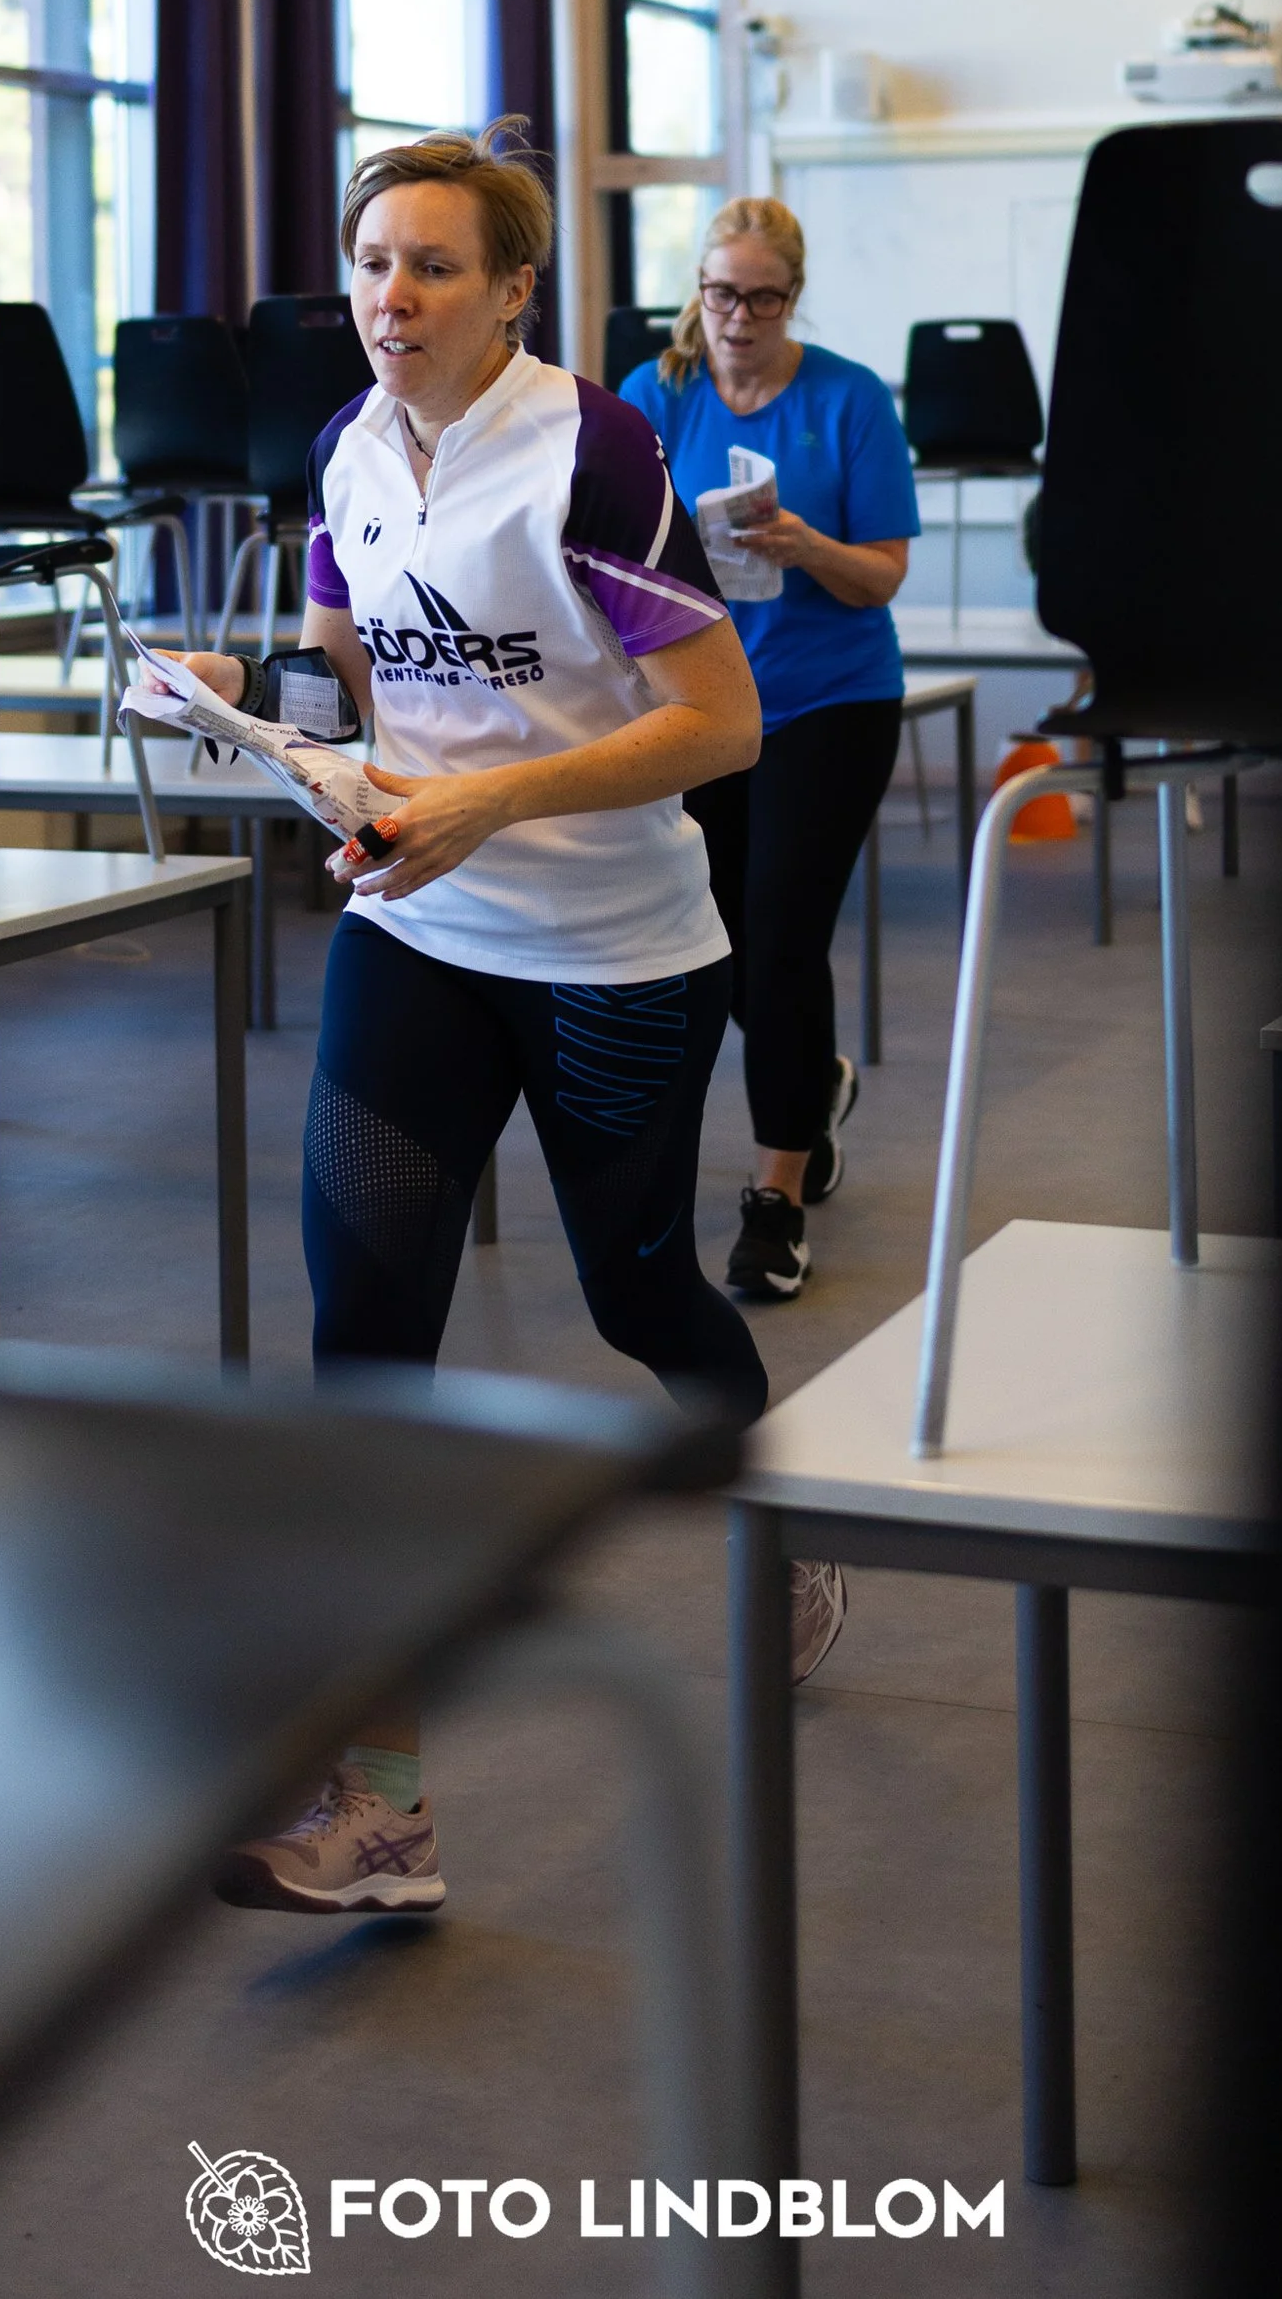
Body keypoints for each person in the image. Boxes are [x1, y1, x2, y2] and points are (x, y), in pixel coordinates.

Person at [184, 127, 817, 1922]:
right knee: (366, 1338)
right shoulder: (348, 445)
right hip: (418, 934)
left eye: (434, 266)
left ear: (514, 289)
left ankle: (787, 1517)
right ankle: (378, 1810)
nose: (392, 296)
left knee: (639, 1292)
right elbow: (347, 679)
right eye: (373, 263)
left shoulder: (592, 453)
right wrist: (236, 693)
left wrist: (493, 800)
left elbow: (721, 724)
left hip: (615, 950)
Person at [623, 198, 920, 1303]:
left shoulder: (849, 398)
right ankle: (812, 1085)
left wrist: (805, 546)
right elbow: (609, 546)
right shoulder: (657, 392)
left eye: (762, 298)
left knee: (785, 940)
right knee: (724, 945)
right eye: (720, 294)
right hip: (703, 706)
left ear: (793, 298)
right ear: (696, 292)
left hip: (830, 702)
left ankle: (776, 1197)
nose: (738, 317)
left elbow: (882, 576)